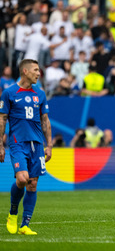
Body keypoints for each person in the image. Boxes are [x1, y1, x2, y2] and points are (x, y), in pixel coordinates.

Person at [0, 59, 52, 235]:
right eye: (36, 70)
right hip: (17, 142)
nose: (39, 73)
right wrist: (0, 144)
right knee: (22, 179)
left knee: (32, 184)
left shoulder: (41, 94)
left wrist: (49, 145)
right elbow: (2, 119)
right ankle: (13, 213)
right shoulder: (9, 93)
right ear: (25, 71)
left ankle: (24, 225)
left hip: (36, 144)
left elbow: (45, 120)